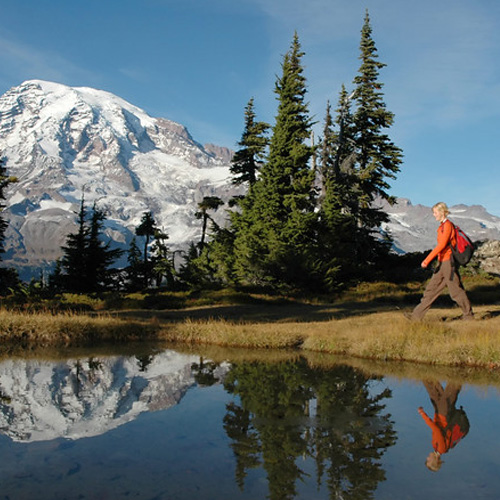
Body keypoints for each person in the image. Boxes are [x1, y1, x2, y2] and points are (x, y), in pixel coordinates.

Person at [409, 202, 473, 321]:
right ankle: (415, 316)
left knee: (456, 291)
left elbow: (442, 245)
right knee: (431, 290)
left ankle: (468, 316)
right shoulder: (442, 227)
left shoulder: (448, 225)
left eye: (435, 212)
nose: (434, 215)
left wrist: (427, 260)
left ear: (442, 212)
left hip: (448, 263)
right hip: (442, 262)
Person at [418, 380, 470, 472]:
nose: (427, 457)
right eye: (429, 460)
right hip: (444, 414)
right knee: (451, 389)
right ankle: (461, 371)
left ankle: (426, 373)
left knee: (434, 392)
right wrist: (422, 414)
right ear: (435, 461)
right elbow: (435, 429)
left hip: (439, 413)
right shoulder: (441, 448)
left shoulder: (436, 447)